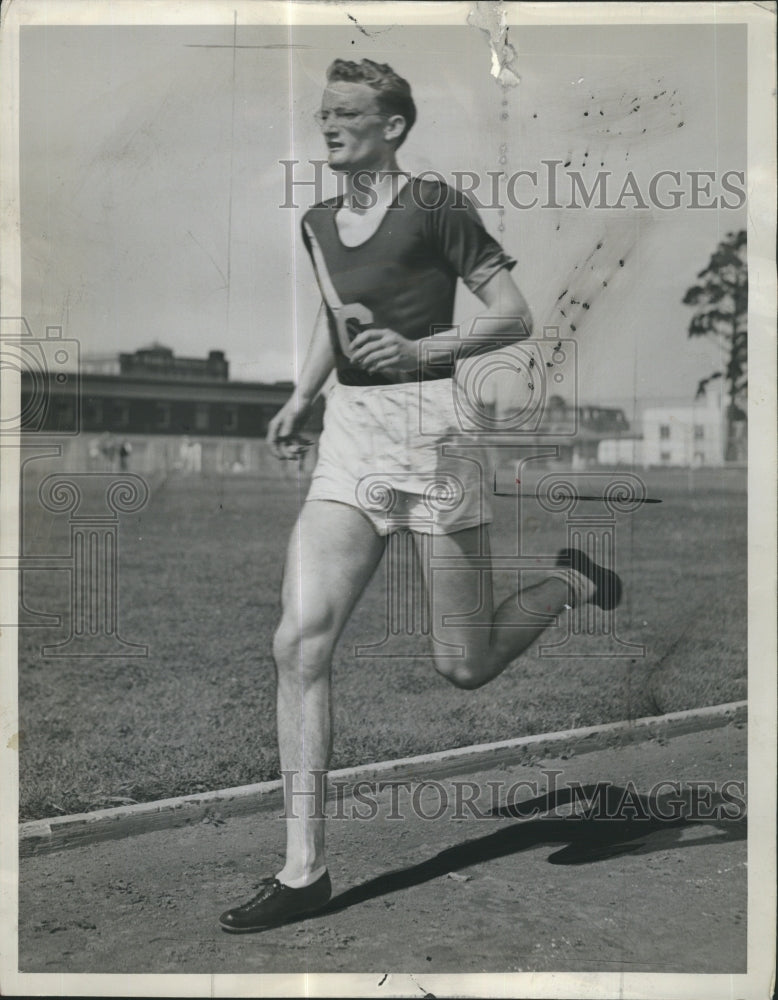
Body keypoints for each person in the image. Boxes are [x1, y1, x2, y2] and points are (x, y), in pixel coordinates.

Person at [219, 58, 621, 933]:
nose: (328, 127)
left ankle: (572, 580)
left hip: (437, 433)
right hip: (351, 438)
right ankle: (304, 870)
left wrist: (424, 352)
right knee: (298, 643)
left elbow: (513, 314)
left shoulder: (435, 207)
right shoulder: (319, 221)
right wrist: (299, 398)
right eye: (322, 114)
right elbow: (337, 325)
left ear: (392, 126)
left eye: (347, 114)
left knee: (464, 665)